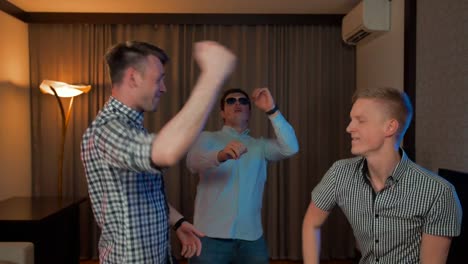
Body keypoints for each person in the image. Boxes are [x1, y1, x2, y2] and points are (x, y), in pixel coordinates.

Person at [81, 40, 236, 264]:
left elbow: (142, 192)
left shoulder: (132, 126)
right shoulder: (107, 129)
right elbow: (166, 152)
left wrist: (178, 222)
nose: (163, 88)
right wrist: (213, 75)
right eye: (159, 79)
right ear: (133, 77)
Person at [302, 87, 463, 264]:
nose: (349, 128)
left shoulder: (439, 193)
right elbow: (311, 222)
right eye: (351, 120)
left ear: (390, 127)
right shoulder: (340, 173)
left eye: (360, 121)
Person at [186, 87, 299, 263]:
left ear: (250, 111)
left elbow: (291, 147)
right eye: (231, 101)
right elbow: (192, 162)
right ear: (222, 112)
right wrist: (221, 155)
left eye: (243, 101)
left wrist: (272, 110)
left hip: (251, 238)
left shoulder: (260, 146)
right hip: (209, 237)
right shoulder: (206, 138)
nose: (237, 103)